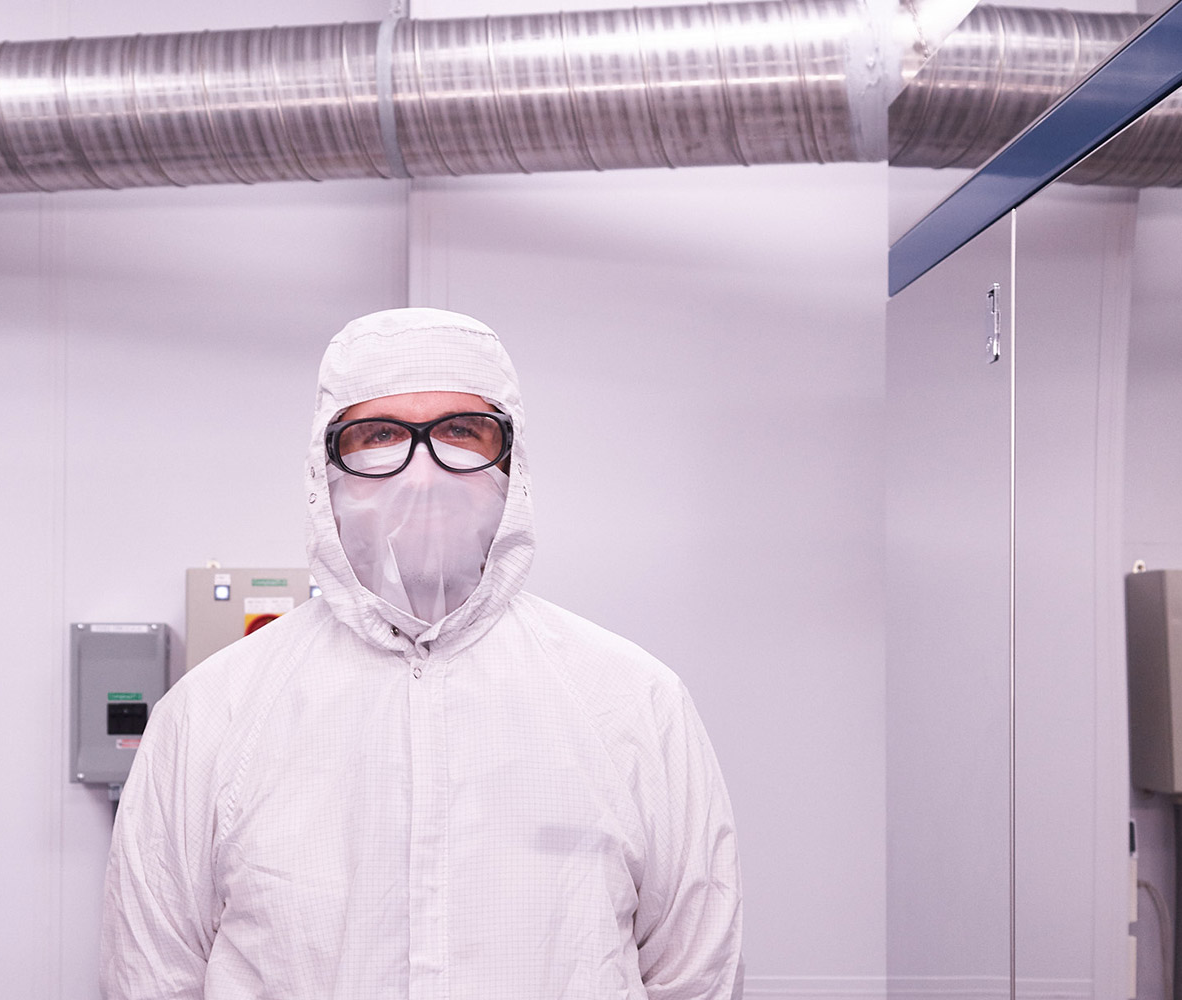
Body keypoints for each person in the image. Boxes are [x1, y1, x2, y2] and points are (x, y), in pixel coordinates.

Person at [101, 308, 742, 999]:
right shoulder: (211, 716)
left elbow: (697, 974)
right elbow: (151, 978)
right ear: (326, 471)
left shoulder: (633, 703)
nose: (423, 474)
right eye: (378, 437)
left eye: (461, 433)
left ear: (511, 464)